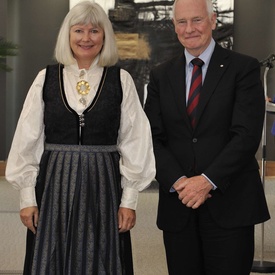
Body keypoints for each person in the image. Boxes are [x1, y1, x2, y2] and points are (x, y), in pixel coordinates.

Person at [5, 1, 155, 274]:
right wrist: (27, 197)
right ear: (68, 35)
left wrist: (129, 200)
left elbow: (136, 142)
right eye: (79, 30)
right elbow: (27, 139)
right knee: (50, 256)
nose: (86, 38)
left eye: (94, 31)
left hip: (104, 186)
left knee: (103, 257)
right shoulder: (45, 78)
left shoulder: (121, 81)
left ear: (105, 36)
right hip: (53, 186)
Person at [144, 0, 270, 274]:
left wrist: (206, 181)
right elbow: (150, 138)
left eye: (197, 20)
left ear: (213, 20)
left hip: (230, 203)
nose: (189, 28)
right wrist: (180, 183)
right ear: (174, 26)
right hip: (179, 205)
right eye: (182, 22)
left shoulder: (244, 68)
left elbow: (246, 136)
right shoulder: (160, 76)